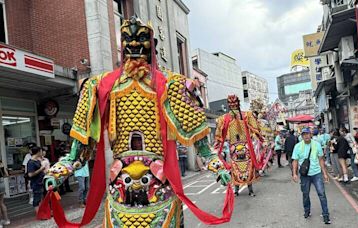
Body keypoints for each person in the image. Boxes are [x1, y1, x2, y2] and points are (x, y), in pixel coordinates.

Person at [41, 17, 232, 227]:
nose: (133, 44)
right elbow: (78, 152)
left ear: (152, 44)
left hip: (158, 185)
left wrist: (218, 168)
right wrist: (58, 173)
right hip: (121, 186)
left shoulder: (173, 85)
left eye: (141, 38)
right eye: (127, 39)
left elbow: (203, 147)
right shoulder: (99, 86)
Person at [292, 128, 331, 224]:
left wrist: (325, 173)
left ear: (311, 135)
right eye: (304, 134)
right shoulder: (297, 146)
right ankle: (307, 211)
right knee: (305, 194)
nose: (306, 136)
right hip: (305, 175)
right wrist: (294, 173)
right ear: (301, 136)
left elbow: (321, 159)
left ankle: (326, 215)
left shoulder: (316, 145)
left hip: (317, 173)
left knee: (322, 194)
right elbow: (295, 161)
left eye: (307, 134)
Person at [27, 147, 45, 213]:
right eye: (41, 151)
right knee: (37, 199)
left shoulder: (37, 161)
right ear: (38, 152)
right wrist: (40, 169)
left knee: (41, 198)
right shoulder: (31, 162)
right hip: (36, 183)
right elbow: (30, 174)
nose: (42, 153)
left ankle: (42, 212)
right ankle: (39, 214)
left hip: (41, 182)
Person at [0, 160, 10, 227]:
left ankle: (0, 224)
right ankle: (6, 220)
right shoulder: (1, 163)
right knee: (1, 203)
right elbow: (6, 175)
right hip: (1, 184)